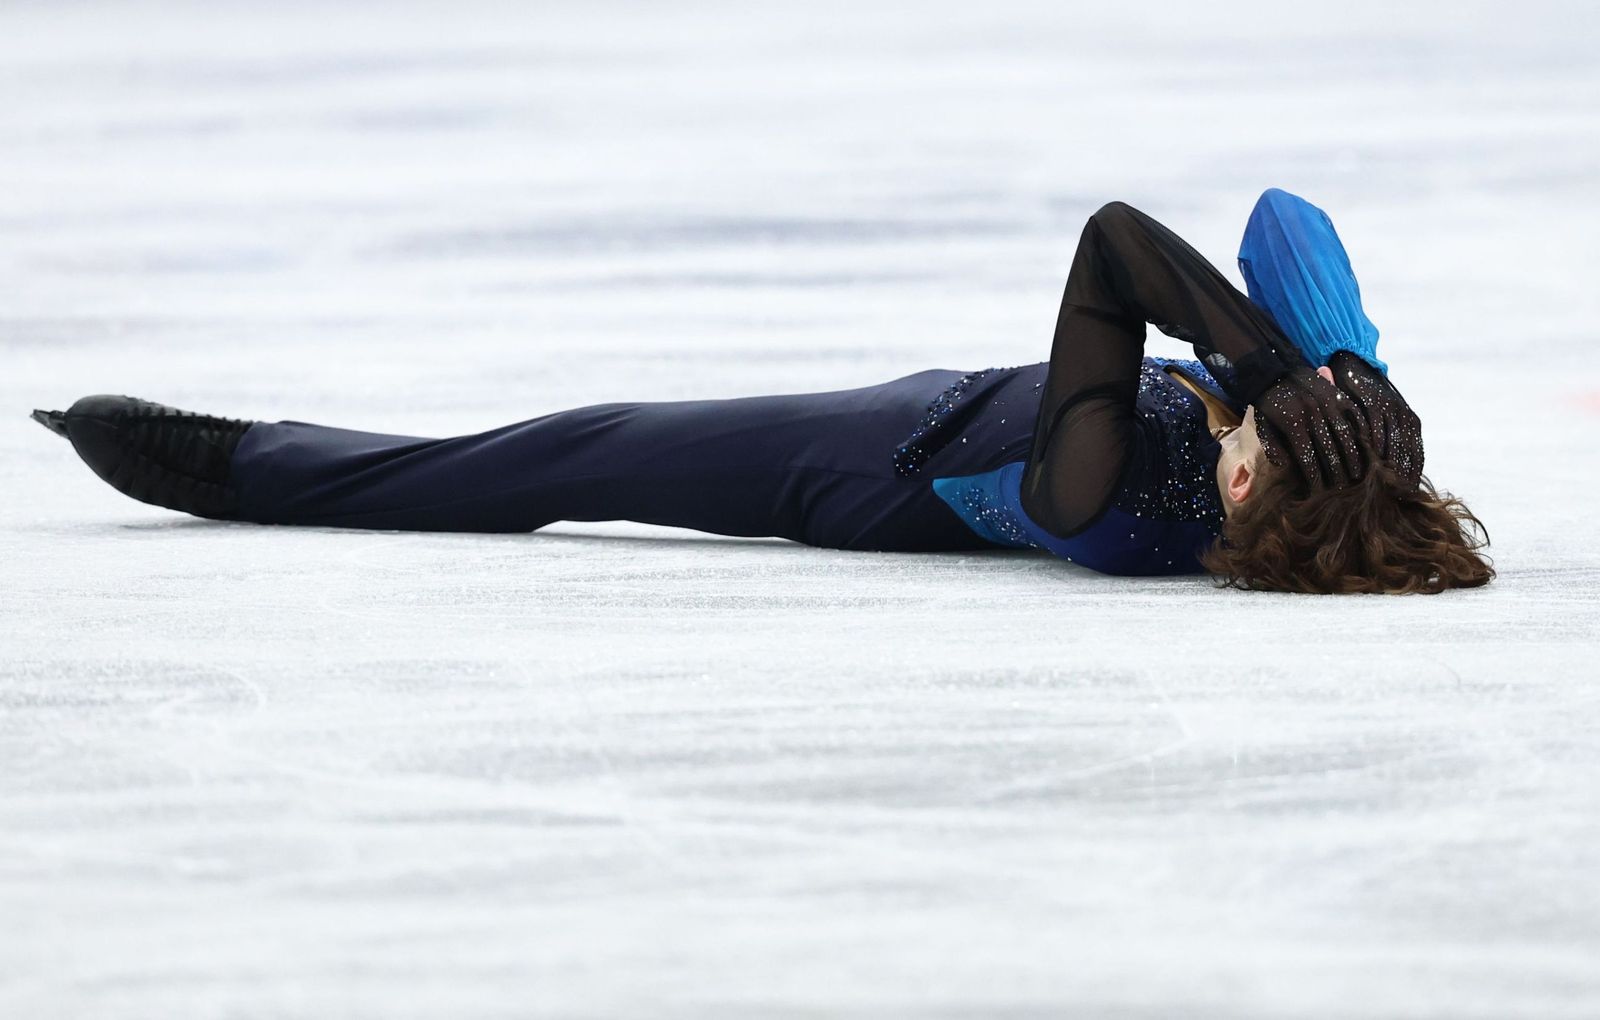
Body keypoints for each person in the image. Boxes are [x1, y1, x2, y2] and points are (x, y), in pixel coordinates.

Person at [32, 189, 1493, 594]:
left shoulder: (1107, 507)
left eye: (1250, 487)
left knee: (577, 454)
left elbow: (1114, 247)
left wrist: (1284, 371)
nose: (1243, 471)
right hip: (943, 403)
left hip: (862, 466)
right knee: (577, 447)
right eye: (1271, 459)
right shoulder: (1348, 456)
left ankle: (246, 467)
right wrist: (1351, 362)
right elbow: (1284, 219)